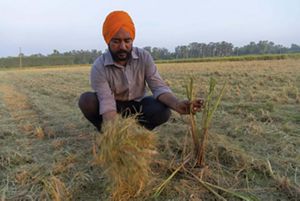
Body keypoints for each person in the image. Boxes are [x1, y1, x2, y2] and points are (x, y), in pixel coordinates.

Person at [78, 10, 204, 131]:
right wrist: (114, 134)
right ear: (108, 41)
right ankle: (106, 131)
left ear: (132, 40)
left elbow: (158, 87)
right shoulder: (99, 66)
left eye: (127, 41)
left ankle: (140, 133)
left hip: (139, 105)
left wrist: (177, 105)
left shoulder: (144, 57)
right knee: (87, 101)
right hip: (115, 107)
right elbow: (107, 101)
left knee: (162, 110)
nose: (123, 46)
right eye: (116, 41)